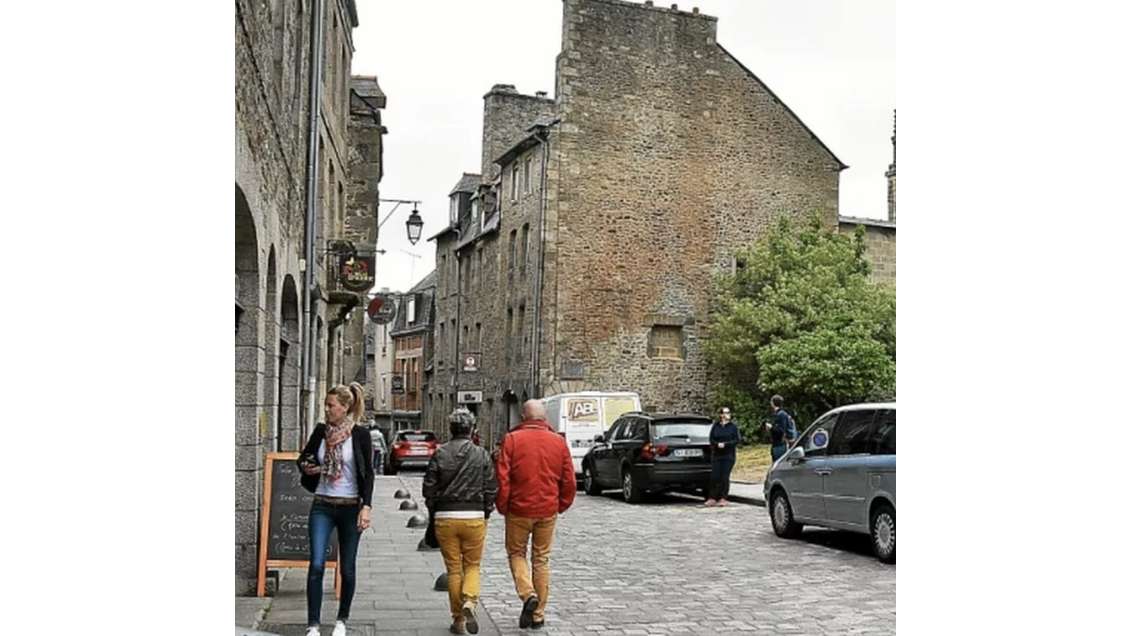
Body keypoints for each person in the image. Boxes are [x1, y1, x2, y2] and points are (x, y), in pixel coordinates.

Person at [296, 383, 374, 636]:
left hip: (350, 507)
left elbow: (368, 473)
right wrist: (307, 466)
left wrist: (367, 507)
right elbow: (305, 457)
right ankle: (313, 625)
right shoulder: (320, 431)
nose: (327, 410)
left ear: (344, 407)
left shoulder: (360, 435)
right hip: (322, 504)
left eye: (331, 405)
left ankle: (342, 620)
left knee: (347, 568)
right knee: (317, 564)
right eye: (326, 405)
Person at [495, 400, 577, 630]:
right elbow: (569, 479)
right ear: (544, 418)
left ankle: (527, 593)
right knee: (541, 559)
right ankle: (539, 614)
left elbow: (503, 478)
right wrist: (561, 504)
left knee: (516, 553)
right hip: (547, 509)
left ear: (523, 416)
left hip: (519, 509)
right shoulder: (558, 442)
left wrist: (503, 505)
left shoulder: (512, 440)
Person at [423, 408, 498, 635]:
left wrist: (434, 509)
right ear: (472, 429)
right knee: (473, 565)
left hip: (445, 516)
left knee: (454, 569)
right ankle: (470, 601)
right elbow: (491, 487)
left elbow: (429, 488)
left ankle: (458, 621)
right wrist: (485, 511)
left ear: (451, 429)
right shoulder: (481, 454)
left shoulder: (440, 453)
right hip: (473, 516)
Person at [706, 406, 741, 506]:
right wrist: (717, 444)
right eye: (725, 413)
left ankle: (723, 497)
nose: (727, 414)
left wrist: (726, 444)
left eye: (728, 412)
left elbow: (736, 440)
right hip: (717, 454)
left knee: (724, 477)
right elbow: (711, 439)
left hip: (728, 455)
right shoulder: (716, 426)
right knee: (715, 476)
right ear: (721, 415)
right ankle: (712, 497)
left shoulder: (733, 427)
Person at [765, 394, 798, 462]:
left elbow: (781, 431)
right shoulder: (780, 414)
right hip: (778, 444)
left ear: (773, 403)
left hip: (780, 444)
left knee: (778, 464)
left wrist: (771, 427)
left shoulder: (780, 415)